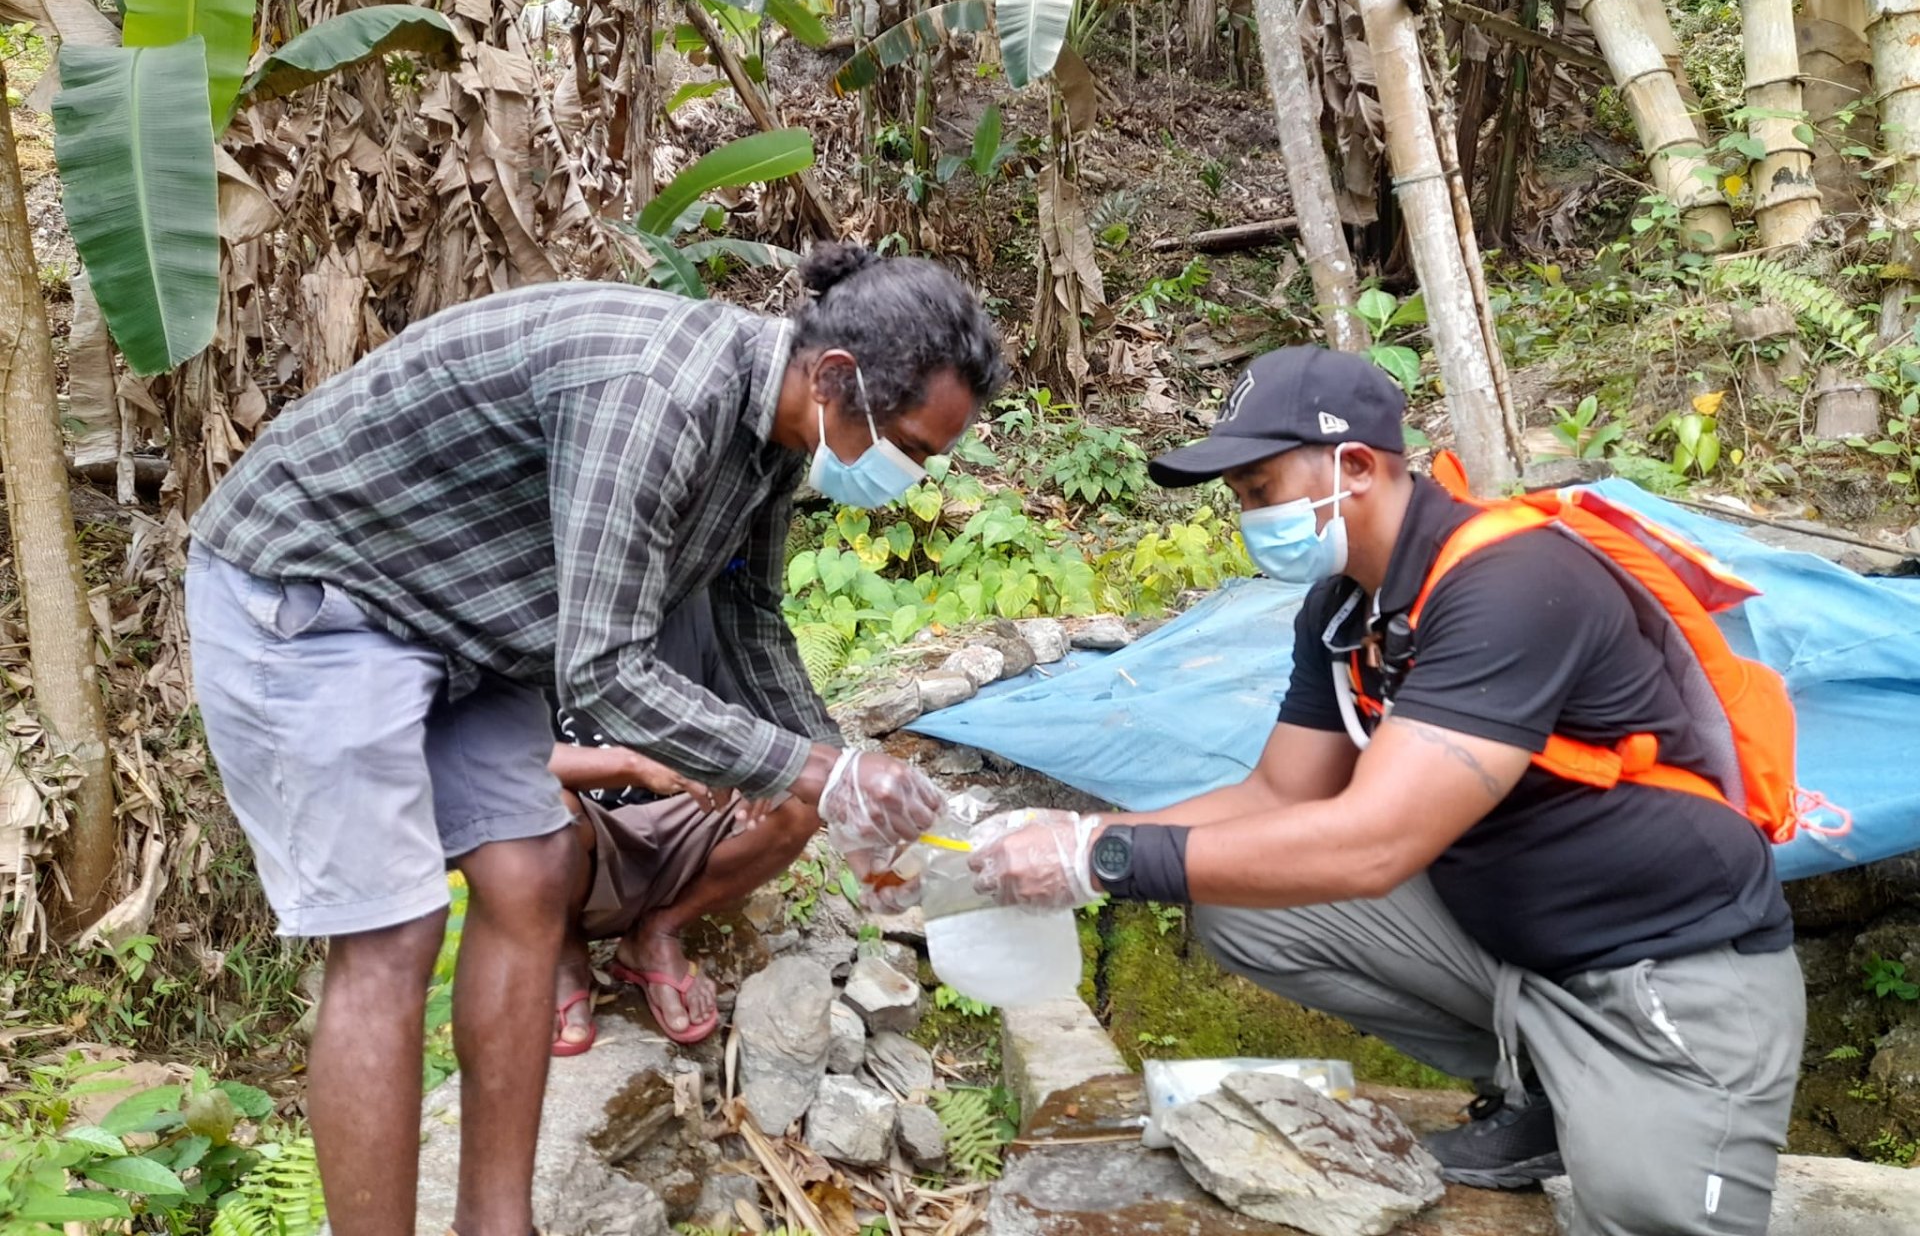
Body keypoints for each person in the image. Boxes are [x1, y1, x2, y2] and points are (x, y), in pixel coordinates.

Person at [184, 243, 1005, 1236]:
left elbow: (746, 610)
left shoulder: (775, 440)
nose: (911, 476)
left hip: (464, 617)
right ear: (834, 377)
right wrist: (816, 773)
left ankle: (499, 1224)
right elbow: (605, 672)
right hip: (319, 591)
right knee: (391, 935)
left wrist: (838, 771)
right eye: (912, 447)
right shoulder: (656, 393)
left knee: (530, 874)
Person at [967, 346, 1804, 1236]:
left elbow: (1374, 846)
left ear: (1356, 467)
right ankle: (1547, 1091)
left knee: (1649, 1214)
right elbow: (1280, 794)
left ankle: (1618, 1103)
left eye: (1258, 488)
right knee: (1244, 905)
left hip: (1669, 969)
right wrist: (1077, 829)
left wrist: (1105, 860)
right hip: (1519, 943)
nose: (1246, 515)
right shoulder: (1343, 611)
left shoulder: (1513, 584)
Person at [548, 589, 820, 1054]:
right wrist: (634, 764)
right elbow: (512, 761)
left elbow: (760, 724)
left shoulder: (697, 600)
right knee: (545, 808)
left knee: (800, 796)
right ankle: (564, 951)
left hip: (694, 817)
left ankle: (657, 933)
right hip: (588, 843)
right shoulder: (539, 607)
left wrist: (753, 768)